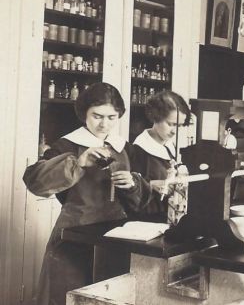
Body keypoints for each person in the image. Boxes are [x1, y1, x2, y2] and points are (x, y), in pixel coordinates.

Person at [23, 82, 149, 305]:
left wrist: (132, 184)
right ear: (84, 115)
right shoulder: (66, 145)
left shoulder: (124, 148)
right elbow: (36, 183)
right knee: (66, 294)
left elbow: (140, 202)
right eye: (97, 116)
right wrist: (78, 163)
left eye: (111, 117)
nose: (104, 124)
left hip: (115, 237)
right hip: (74, 234)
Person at [130, 90, 191, 216]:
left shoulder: (169, 145)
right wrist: (151, 185)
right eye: (171, 124)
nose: (175, 131)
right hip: (150, 215)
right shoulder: (139, 149)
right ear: (155, 117)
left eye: (179, 126)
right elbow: (131, 192)